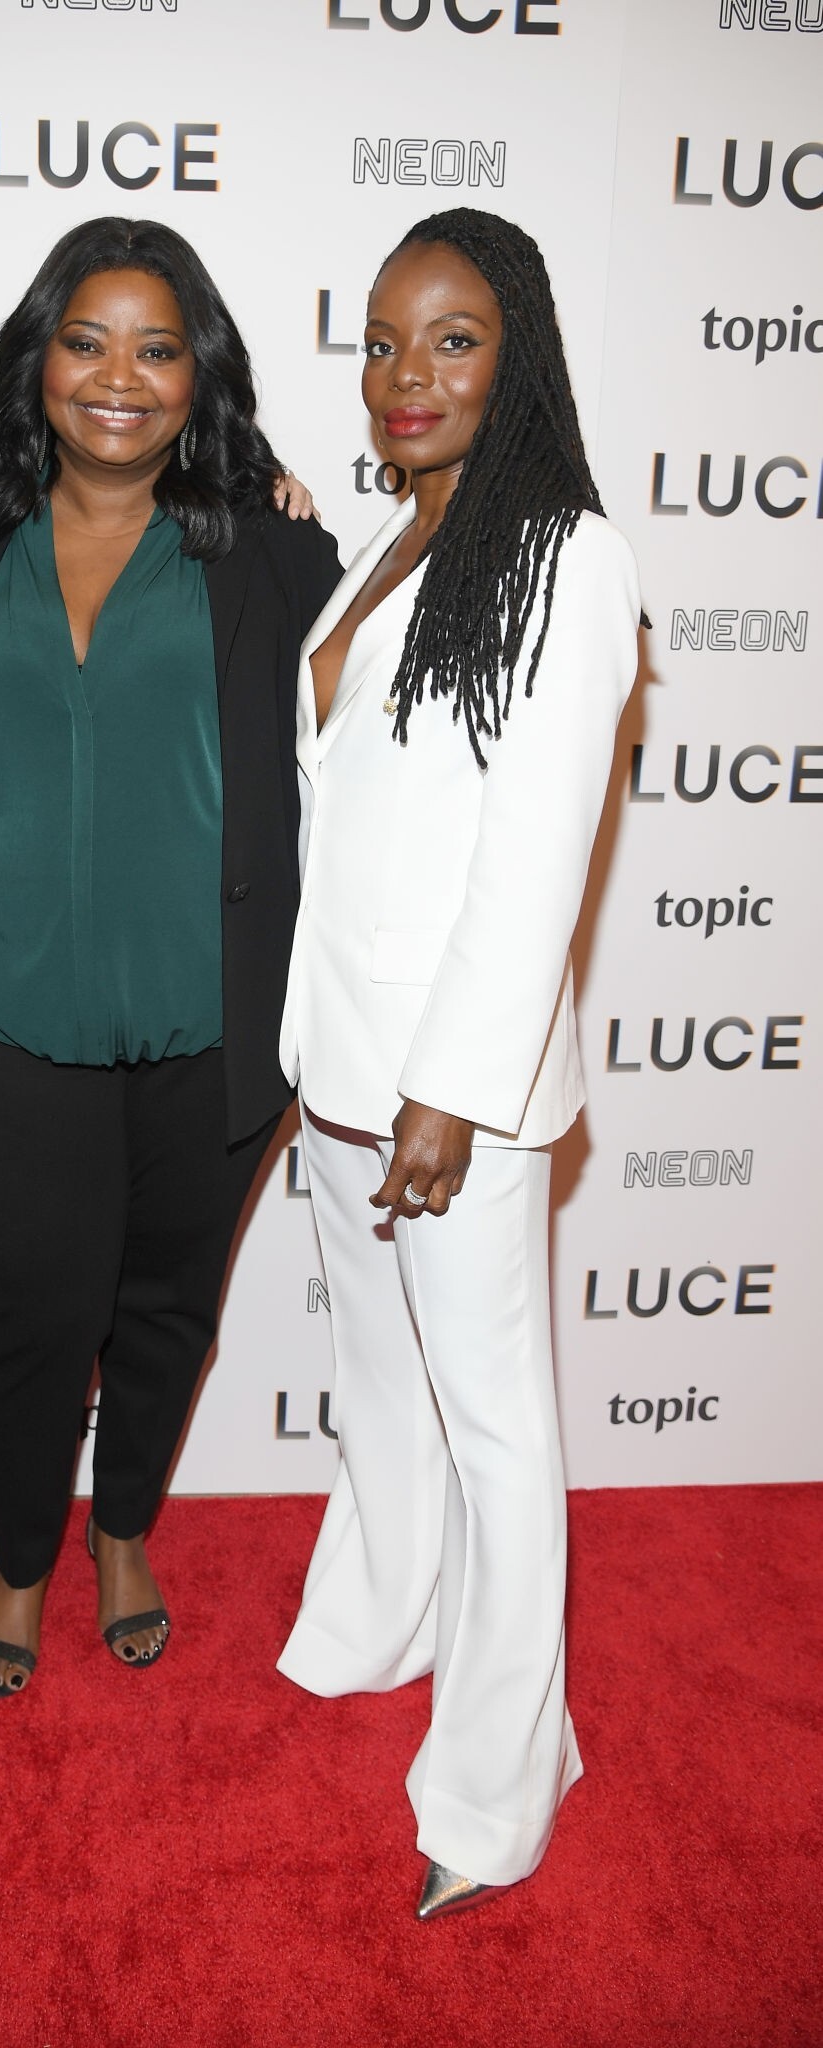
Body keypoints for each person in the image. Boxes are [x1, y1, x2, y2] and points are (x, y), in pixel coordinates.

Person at [0, 217, 339, 1697]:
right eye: (85, 342)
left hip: (212, 1020)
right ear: (38, 358)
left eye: (157, 350)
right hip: (5, 1014)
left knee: (168, 1306)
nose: (117, 377)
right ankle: (24, 1554)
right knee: (35, 1309)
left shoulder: (277, 554)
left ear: (198, 376)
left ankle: (126, 1529)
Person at [276, 208, 641, 1916]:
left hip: (450, 1097)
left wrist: (453, 1088)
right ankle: (378, 1620)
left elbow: (537, 855)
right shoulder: (389, 536)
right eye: (380, 341)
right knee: (381, 1384)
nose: (403, 373)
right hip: (339, 1064)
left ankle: (501, 1781)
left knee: (495, 1425)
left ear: (519, 358)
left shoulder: (567, 555)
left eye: (451, 338)